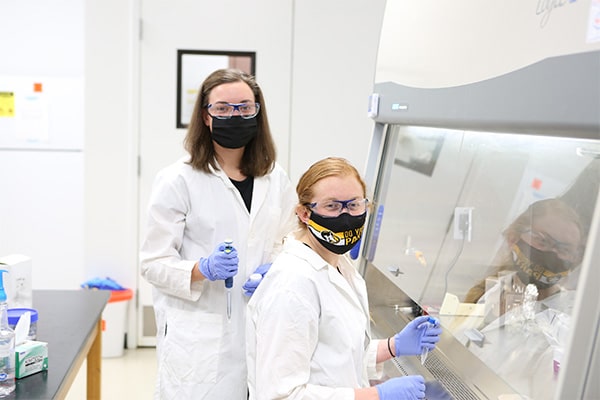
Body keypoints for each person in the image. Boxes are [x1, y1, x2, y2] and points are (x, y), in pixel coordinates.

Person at [140, 68, 297, 399]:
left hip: (259, 324)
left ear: (257, 112)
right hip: (199, 336)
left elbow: (288, 239)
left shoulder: (275, 177)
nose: (235, 115)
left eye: (244, 107)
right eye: (223, 109)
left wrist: (278, 268)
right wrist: (201, 269)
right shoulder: (177, 179)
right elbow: (152, 262)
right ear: (206, 117)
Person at [246, 157, 442, 400]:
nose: (346, 216)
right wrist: (376, 395)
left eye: (354, 205)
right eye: (332, 206)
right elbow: (282, 394)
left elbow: (334, 354)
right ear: (304, 213)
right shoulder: (293, 284)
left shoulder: (339, 264)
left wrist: (392, 347)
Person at [464, 198, 585, 305]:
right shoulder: (484, 298)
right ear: (513, 238)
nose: (552, 253)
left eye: (565, 249)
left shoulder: (570, 317)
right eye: (542, 240)